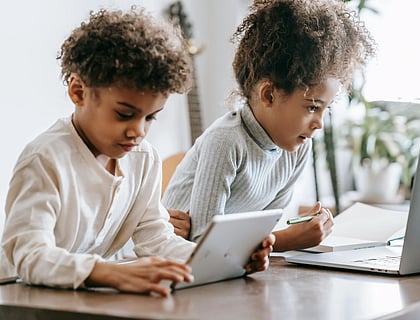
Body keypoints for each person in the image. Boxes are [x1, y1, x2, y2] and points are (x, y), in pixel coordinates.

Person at [0, 7, 274, 296]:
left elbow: (156, 239)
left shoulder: (144, 159)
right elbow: (29, 255)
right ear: (78, 92)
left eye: (150, 117)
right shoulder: (45, 159)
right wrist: (110, 272)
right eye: (124, 114)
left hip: (80, 301)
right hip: (21, 300)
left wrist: (227, 261)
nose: (138, 131)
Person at [163, 0, 376, 251]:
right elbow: (204, 245)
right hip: (173, 264)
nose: (319, 123)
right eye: (312, 107)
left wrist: (278, 238)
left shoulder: (296, 150)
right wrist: (290, 240)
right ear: (269, 95)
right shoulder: (226, 141)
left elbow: (259, 233)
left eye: (325, 109)